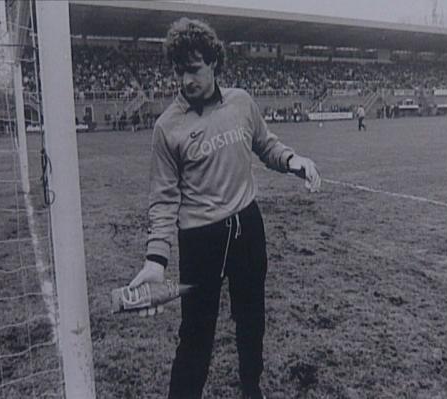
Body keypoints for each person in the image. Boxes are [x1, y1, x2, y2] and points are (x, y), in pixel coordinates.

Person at [129, 17, 321, 399]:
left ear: (215, 63)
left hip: (247, 228)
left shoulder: (242, 102)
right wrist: (156, 260)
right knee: (196, 336)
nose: (186, 80)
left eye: (194, 69)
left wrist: (292, 160)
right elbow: (164, 200)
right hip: (201, 239)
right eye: (179, 70)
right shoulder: (167, 127)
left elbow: (266, 145)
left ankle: (252, 389)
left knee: (252, 321)